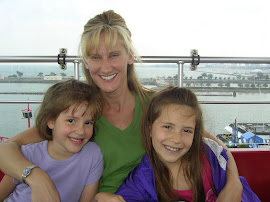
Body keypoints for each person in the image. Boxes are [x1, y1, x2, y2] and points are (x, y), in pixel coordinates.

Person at [0, 10, 242, 202]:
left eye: (114, 55)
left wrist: (234, 185)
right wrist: (36, 177)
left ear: (130, 56)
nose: (105, 68)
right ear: (86, 62)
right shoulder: (79, 112)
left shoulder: (155, 106)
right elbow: (8, 148)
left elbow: (214, 146)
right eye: (96, 57)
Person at [116, 86, 260, 202]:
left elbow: (237, 189)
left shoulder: (210, 160)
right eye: (167, 127)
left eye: (186, 130)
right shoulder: (143, 178)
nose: (176, 139)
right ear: (149, 129)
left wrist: (235, 185)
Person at [0, 79, 103, 202]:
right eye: (71, 121)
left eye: (88, 122)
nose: (81, 131)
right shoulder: (27, 154)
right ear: (51, 121)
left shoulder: (92, 154)